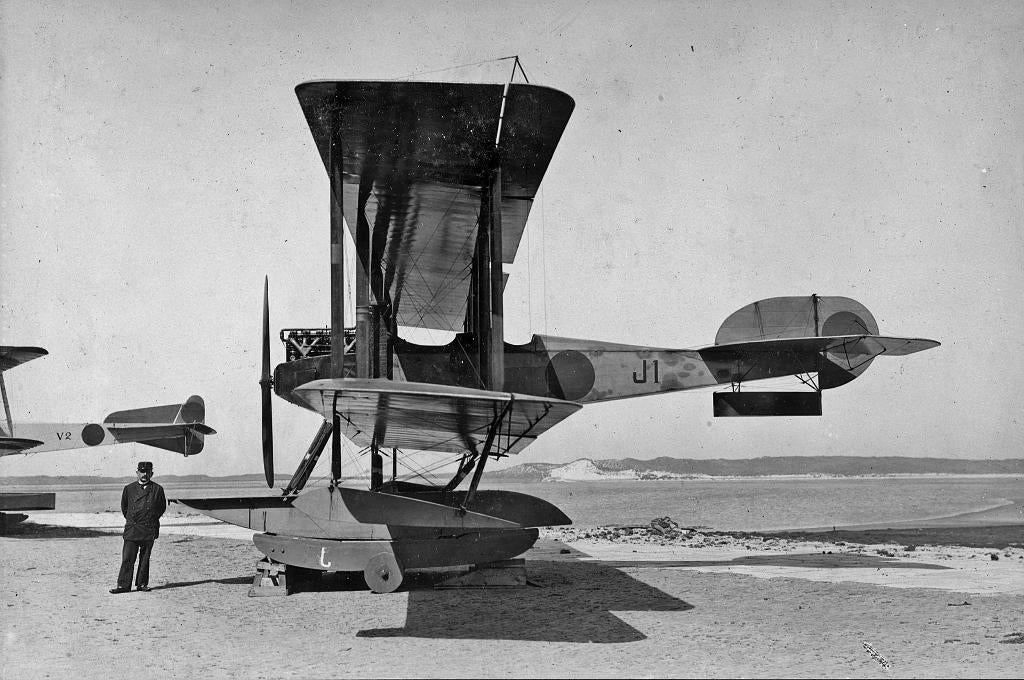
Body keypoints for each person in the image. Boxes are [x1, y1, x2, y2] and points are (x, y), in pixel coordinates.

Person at [110, 461, 166, 594]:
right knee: (128, 558)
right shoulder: (128, 489)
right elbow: (125, 508)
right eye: (142, 472)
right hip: (133, 528)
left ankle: (141, 584)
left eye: (147, 472)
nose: (144, 474)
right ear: (137, 473)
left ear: (151, 473)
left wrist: (150, 519)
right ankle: (123, 586)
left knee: (145, 558)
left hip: (148, 528)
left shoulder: (158, 489)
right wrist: (133, 521)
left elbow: (161, 508)